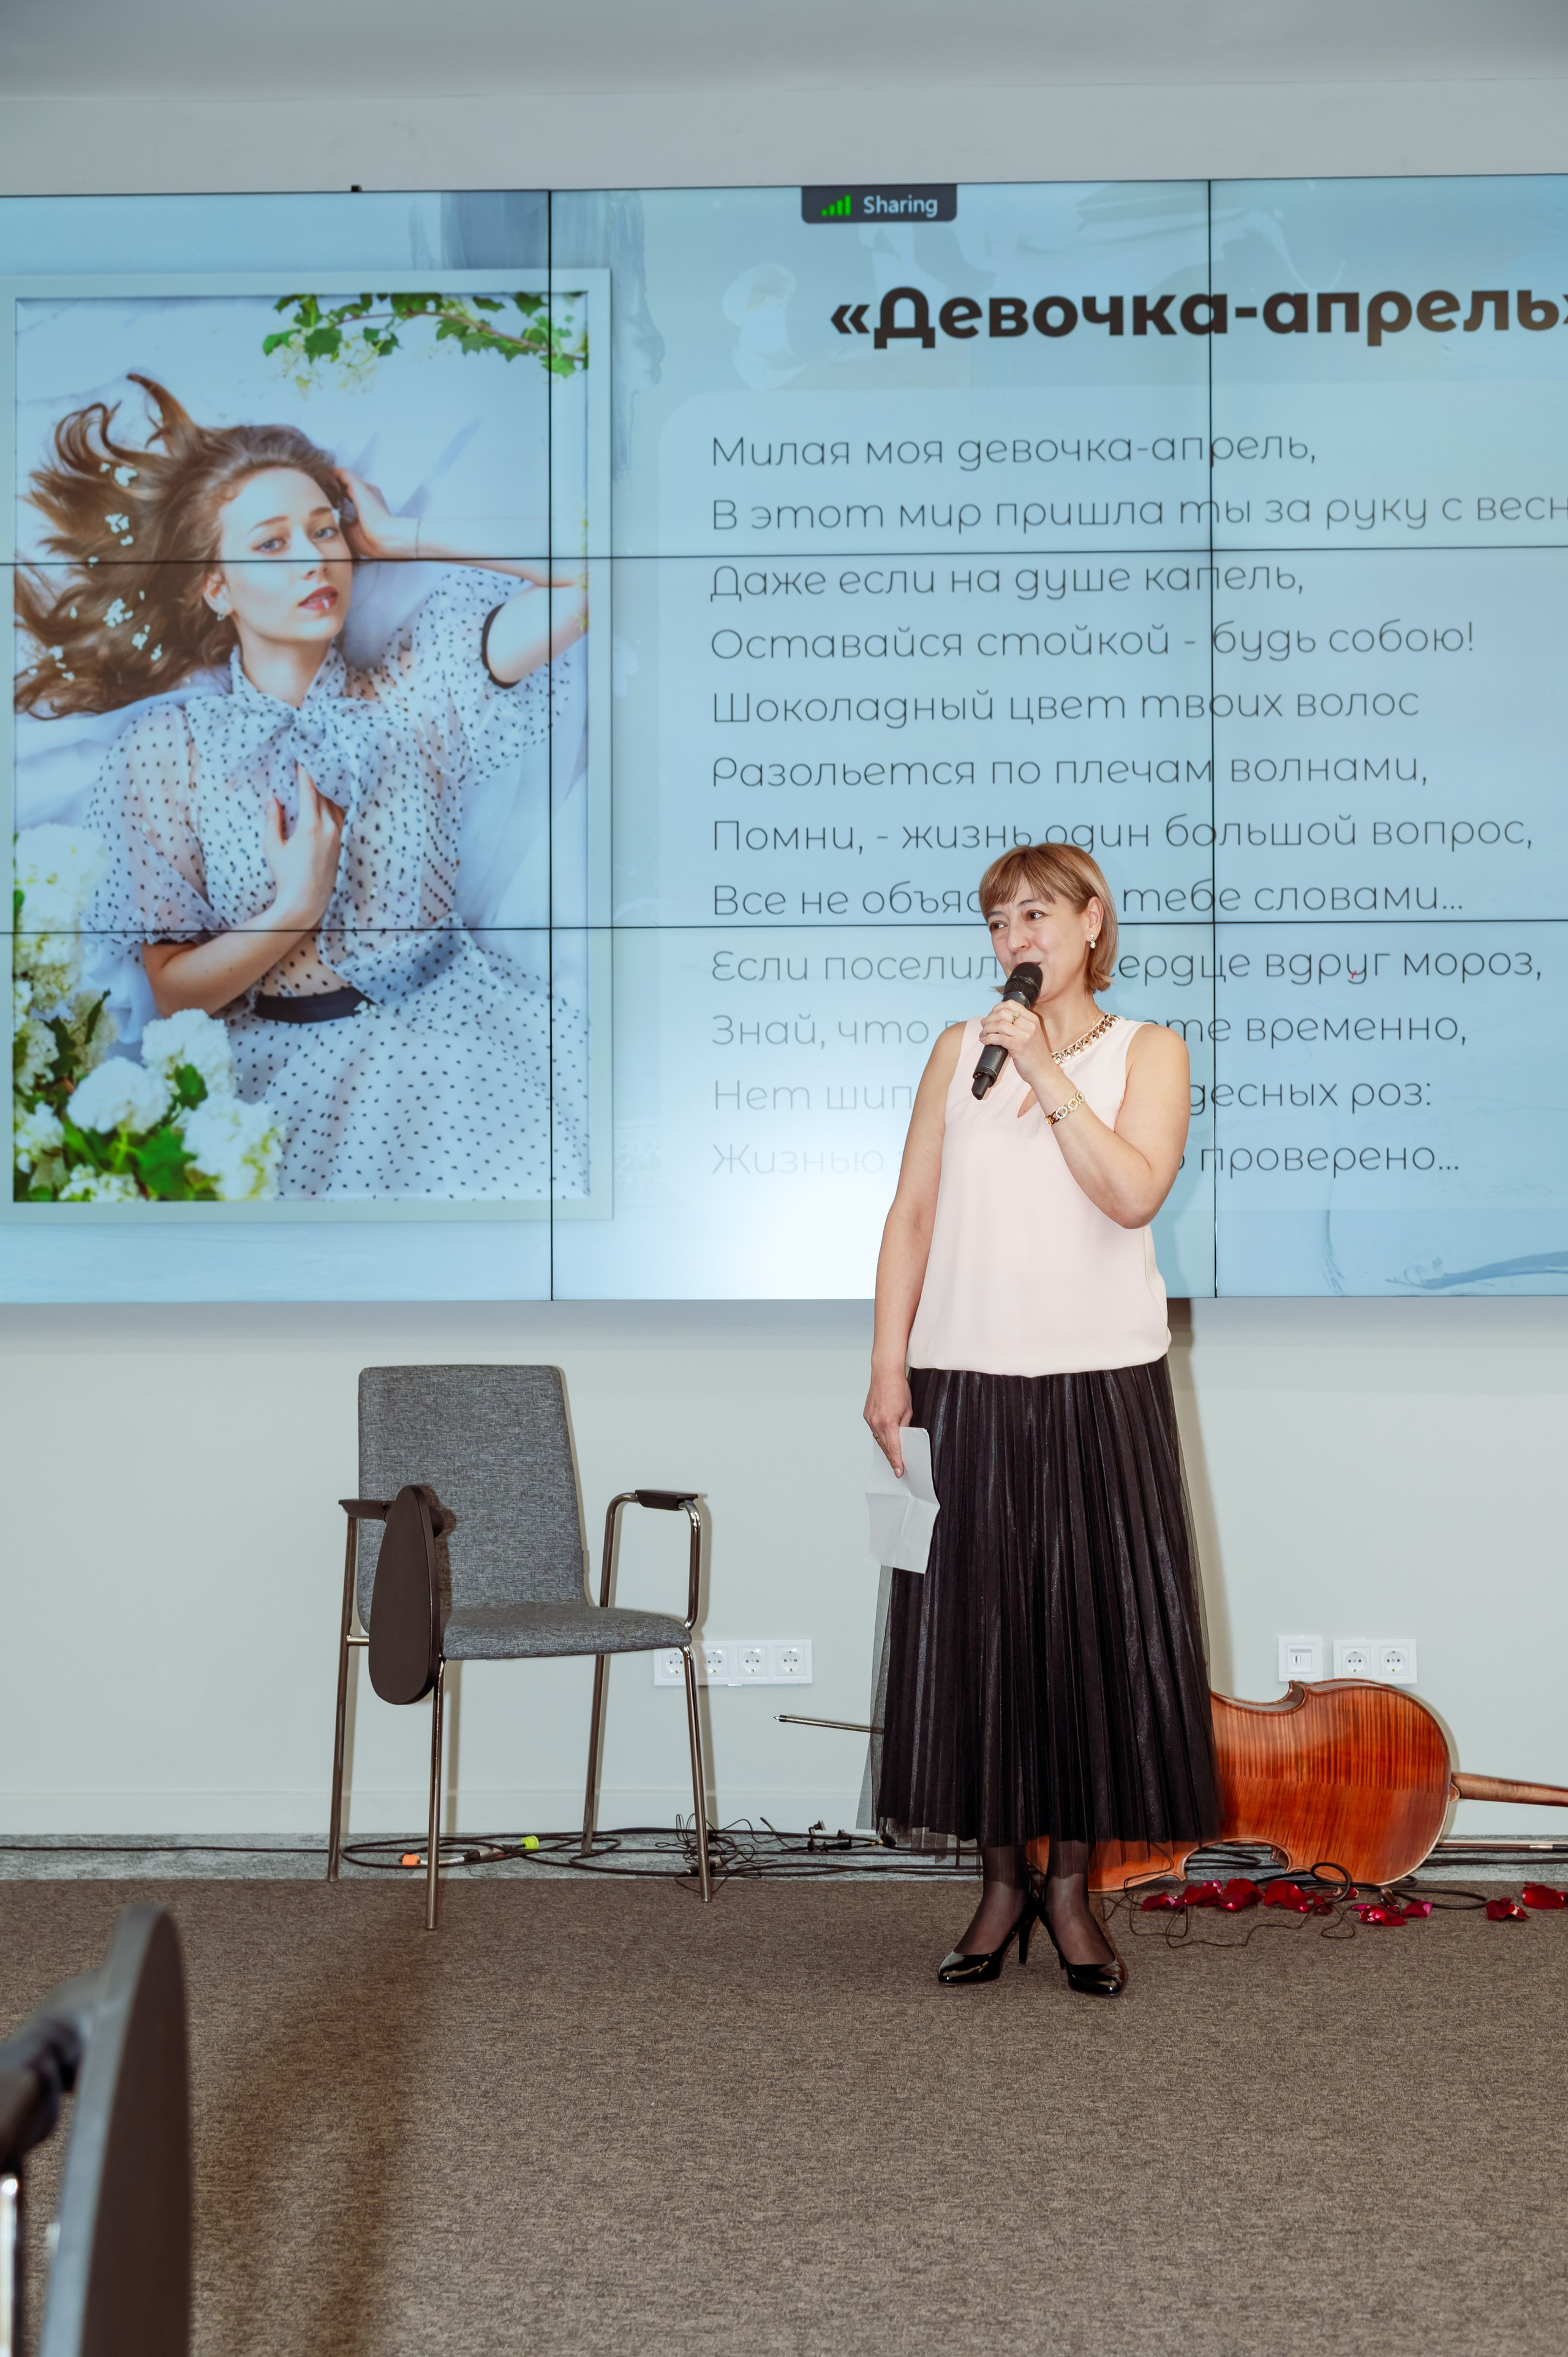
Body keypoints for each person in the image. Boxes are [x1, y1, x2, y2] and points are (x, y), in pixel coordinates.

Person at [15, 374, 587, 1198]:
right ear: (215, 585)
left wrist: (405, 535)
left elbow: (596, 579)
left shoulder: (424, 685)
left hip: (460, 1056)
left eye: (327, 531)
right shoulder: (166, 749)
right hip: (272, 1088)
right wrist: (293, 911)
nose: (316, 558)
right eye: (273, 543)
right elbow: (172, 994)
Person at [863, 842, 1219, 1994]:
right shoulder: (954, 1052)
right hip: (965, 1379)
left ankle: (1070, 1892)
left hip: (1099, 1382)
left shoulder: (1147, 1051)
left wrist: (1050, 1078)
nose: (1015, 937)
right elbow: (912, 1214)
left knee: (1089, 1642)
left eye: (1035, 913)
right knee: (981, 1640)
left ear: (1092, 922)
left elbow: (1131, 1193)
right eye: (998, 919)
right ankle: (999, 1887)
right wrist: (887, 1367)